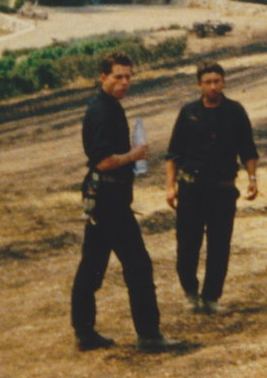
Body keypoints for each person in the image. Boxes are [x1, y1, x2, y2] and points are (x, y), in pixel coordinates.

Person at [71, 53, 182, 352]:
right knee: (138, 265)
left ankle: (84, 332)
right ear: (103, 77)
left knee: (92, 265)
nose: (124, 82)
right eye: (118, 77)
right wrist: (134, 155)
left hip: (107, 198)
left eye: (128, 77)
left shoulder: (109, 107)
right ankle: (149, 335)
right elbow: (104, 161)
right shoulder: (100, 112)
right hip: (109, 201)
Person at [165, 61, 259, 315]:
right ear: (199, 85)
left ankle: (211, 298)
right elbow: (173, 154)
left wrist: (252, 179)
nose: (213, 86)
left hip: (223, 191)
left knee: (219, 247)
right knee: (187, 247)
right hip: (191, 190)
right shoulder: (188, 112)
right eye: (207, 82)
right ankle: (191, 292)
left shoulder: (235, 111)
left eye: (217, 81)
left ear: (224, 82)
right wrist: (170, 186)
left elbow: (248, 150)